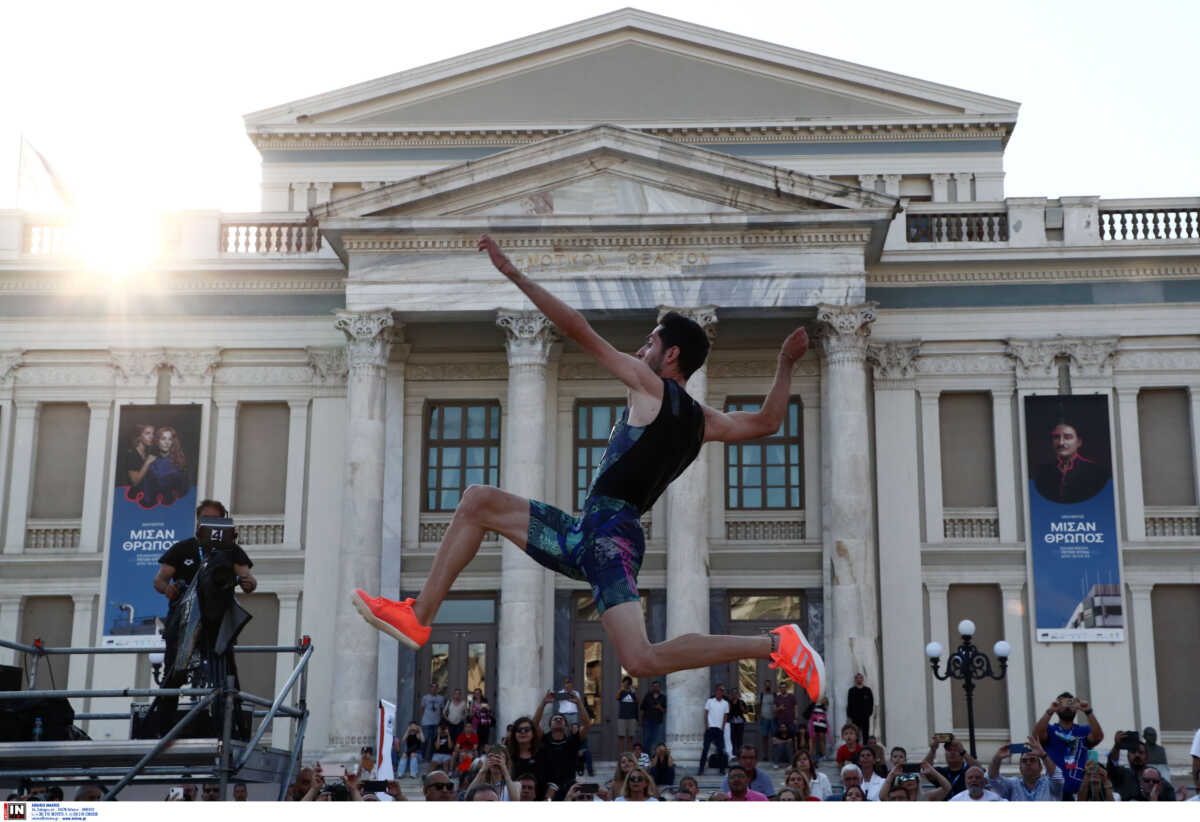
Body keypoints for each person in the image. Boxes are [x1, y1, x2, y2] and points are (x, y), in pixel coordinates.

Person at [353, 235, 825, 703]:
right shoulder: (705, 421)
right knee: (479, 501)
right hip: (589, 534)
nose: (640, 353)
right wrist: (784, 363)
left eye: (649, 344)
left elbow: (579, 330)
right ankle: (418, 617)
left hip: (607, 540)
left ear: (671, 355)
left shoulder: (649, 385)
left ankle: (774, 644)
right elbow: (767, 422)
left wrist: (515, 275)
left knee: (640, 660)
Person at [151, 499, 256, 736]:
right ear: (198, 523)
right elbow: (159, 580)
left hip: (218, 623)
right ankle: (164, 731)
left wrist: (249, 582)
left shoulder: (231, 552)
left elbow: (248, 579)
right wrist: (168, 589)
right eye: (207, 520)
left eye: (217, 521)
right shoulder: (182, 548)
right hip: (183, 622)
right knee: (173, 675)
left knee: (228, 677)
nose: (212, 526)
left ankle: (231, 730)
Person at [1033, 691, 1103, 799]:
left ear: (1076, 708)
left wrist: (1088, 711)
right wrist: (1050, 711)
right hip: (1054, 793)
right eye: (1062, 704)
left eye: (1071, 704)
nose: (1067, 707)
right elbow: (1036, 736)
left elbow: (1098, 737)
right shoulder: (1051, 730)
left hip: (1080, 794)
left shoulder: (1083, 731)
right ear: (1057, 709)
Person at [1033, 420, 1109, 503]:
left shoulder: (1096, 472)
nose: (1061, 442)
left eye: (1068, 437)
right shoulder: (1042, 472)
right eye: (1056, 437)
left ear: (1079, 442)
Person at [533, 690, 591, 799]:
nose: (559, 719)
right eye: (555, 719)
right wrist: (543, 703)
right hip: (547, 788)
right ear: (550, 726)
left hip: (568, 788)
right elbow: (534, 724)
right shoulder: (544, 739)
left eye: (561, 719)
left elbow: (587, 724)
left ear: (565, 726)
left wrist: (579, 702)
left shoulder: (572, 741)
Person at [988, 737, 1062, 801]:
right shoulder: (1013, 785)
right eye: (1024, 761)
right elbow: (993, 778)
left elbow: (1057, 777)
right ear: (1020, 768)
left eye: (1032, 760)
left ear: (1041, 767)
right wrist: (997, 758)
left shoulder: (1049, 784)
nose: (1028, 763)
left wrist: (1043, 755)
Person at [1106, 731, 1168, 799]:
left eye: (1141, 752)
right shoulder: (1121, 774)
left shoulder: (1155, 776)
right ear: (1128, 756)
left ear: (1147, 757)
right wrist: (1117, 746)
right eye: (1133, 752)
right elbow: (1113, 764)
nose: (1137, 755)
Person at [141, 426, 189, 508]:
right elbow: (146, 490)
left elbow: (184, 491)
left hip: (174, 507)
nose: (167, 442)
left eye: (170, 439)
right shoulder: (151, 461)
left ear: (173, 442)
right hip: (151, 508)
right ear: (157, 441)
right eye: (163, 439)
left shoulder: (179, 462)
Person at [921, 734, 976, 799]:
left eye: (955, 749)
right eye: (949, 750)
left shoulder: (970, 771)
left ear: (961, 753)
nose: (952, 752)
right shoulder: (940, 772)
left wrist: (963, 752)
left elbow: (980, 770)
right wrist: (933, 750)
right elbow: (924, 768)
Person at [119, 423, 156, 501]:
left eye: (153, 433)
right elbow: (135, 481)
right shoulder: (132, 454)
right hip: (133, 499)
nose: (151, 436)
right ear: (139, 436)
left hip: (145, 498)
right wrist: (148, 462)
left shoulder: (146, 454)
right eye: (147, 433)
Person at [698, 683, 729, 775]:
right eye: (719, 690)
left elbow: (725, 716)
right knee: (705, 749)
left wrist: (722, 728)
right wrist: (707, 725)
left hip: (719, 729)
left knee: (721, 750)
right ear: (716, 691)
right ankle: (701, 769)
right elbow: (706, 713)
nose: (720, 692)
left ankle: (722, 769)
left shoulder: (725, 703)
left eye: (722, 691)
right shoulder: (710, 701)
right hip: (710, 728)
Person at [879, 762, 951, 801]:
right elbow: (882, 797)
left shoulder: (927, 797)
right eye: (904, 778)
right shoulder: (897, 799)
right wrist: (891, 775)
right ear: (899, 783)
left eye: (912, 776)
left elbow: (947, 788)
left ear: (917, 781)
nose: (909, 780)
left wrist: (933, 771)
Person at [640, 679, 667, 753]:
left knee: (657, 740)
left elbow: (665, 710)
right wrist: (641, 720)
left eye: (657, 686)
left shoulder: (663, 697)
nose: (655, 688)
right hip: (647, 721)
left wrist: (659, 707)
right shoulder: (647, 696)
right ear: (652, 687)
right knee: (646, 739)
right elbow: (642, 708)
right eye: (654, 686)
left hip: (658, 722)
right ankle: (646, 757)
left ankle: (654, 758)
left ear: (659, 687)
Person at [419, 684, 444, 760]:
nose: (434, 689)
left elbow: (442, 709)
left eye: (435, 688)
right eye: (432, 687)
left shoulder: (441, 698)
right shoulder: (425, 697)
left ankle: (432, 757)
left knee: (434, 740)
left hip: (436, 722)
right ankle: (422, 757)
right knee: (425, 740)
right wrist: (425, 717)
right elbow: (422, 709)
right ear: (430, 689)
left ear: (437, 689)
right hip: (426, 722)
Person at [846, 672, 873, 741]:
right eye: (857, 678)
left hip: (865, 716)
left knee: (865, 734)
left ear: (863, 679)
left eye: (860, 678)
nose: (859, 679)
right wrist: (849, 716)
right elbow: (849, 704)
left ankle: (865, 749)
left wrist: (869, 713)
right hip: (855, 716)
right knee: (855, 734)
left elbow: (871, 703)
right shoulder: (852, 691)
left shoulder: (867, 690)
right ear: (855, 679)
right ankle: (856, 749)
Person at [616, 676, 638, 753]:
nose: (626, 684)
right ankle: (621, 755)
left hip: (631, 717)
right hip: (622, 717)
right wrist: (621, 689)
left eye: (627, 683)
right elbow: (617, 697)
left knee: (630, 738)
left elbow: (638, 700)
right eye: (625, 682)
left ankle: (629, 755)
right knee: (621, 737)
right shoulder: (621, 691)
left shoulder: (632, 692)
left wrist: (634, 692)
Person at [758, 680, 776, 758]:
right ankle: (765, 755)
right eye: (766, 685)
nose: (767, 686)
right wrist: (760, 714)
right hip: (764, 719)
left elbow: (777, 705)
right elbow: (757, 705)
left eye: (769, 685)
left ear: (771, 686)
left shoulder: (774, 695)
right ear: (764, 686)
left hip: (773, 719)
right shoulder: (761, 695)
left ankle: (774, 755)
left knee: (774, 738)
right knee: (764, 738)